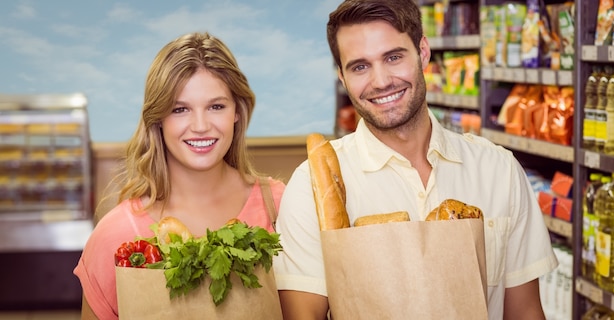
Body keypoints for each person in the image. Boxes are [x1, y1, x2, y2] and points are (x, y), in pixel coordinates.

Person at [273, 0, 558, 319]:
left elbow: (525, 312)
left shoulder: (498, 170)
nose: (381, 81)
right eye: (360, 66)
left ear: (423, 52)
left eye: (393, 57)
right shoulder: (310, 186)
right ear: (341, 76)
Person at [73, 31, 285, 320]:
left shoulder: (282, 208)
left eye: (216, 106)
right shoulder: (116, 236)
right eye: (180, 109)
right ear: (158, 119)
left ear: (237, 111)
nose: (200, 126)